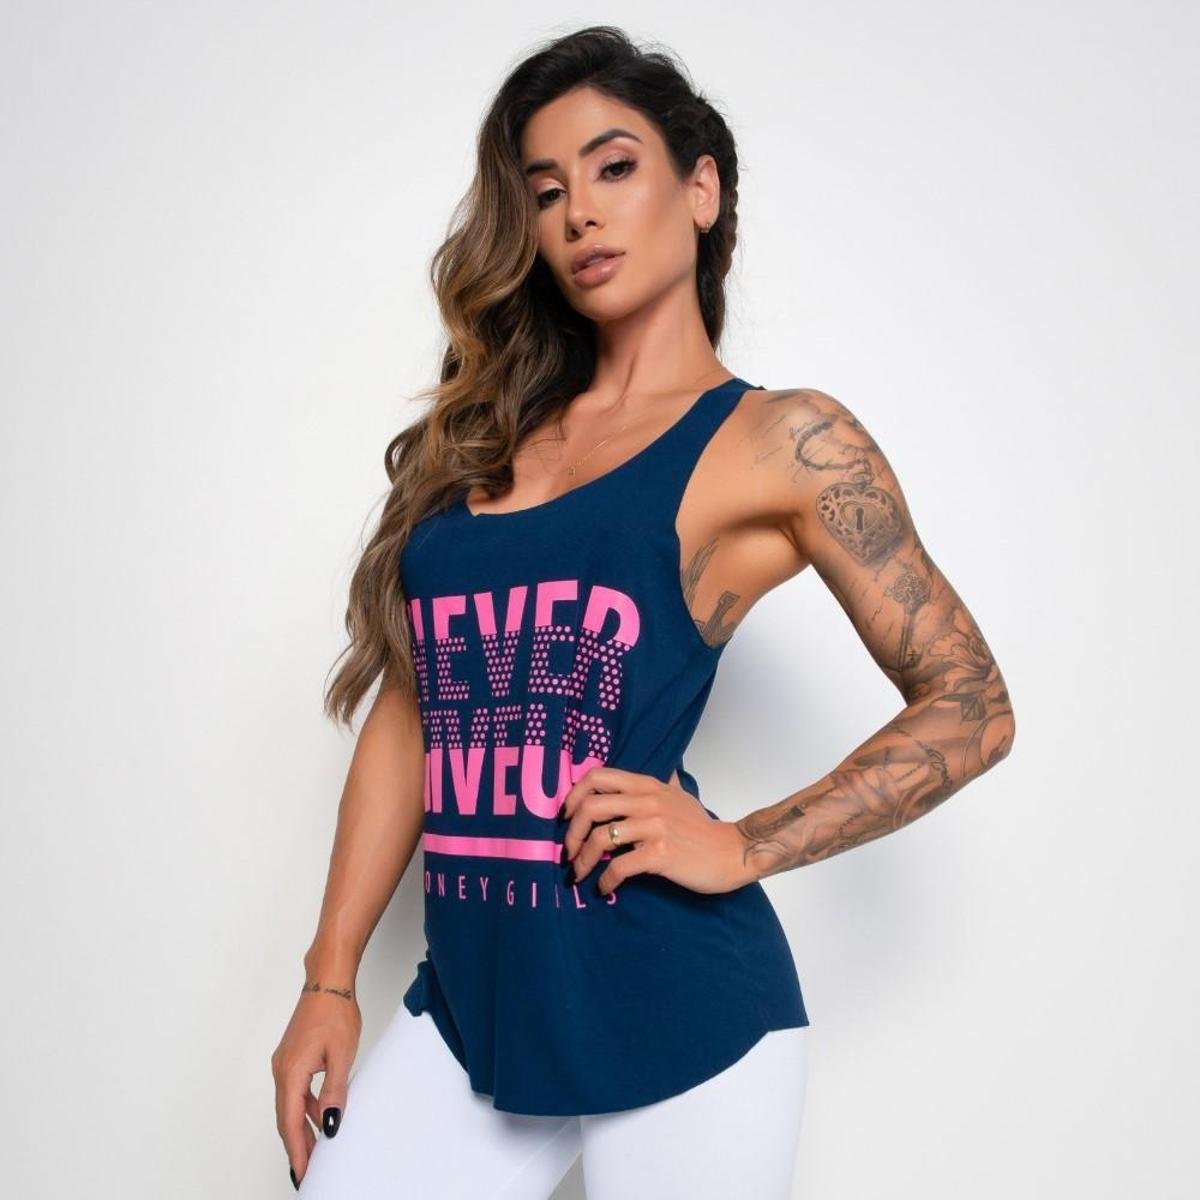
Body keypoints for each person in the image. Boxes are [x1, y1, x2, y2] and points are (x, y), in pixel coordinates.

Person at [270, 24, 1016, 1198]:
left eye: (614, 168)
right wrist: (329, 978)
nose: (579, 214)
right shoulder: (488, 441)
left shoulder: (782, 440)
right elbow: (415, 713)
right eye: (546, 191)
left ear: (700, 189)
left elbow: (973, 705)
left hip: (682, 1016)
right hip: (475, 1008)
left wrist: (740, 844)